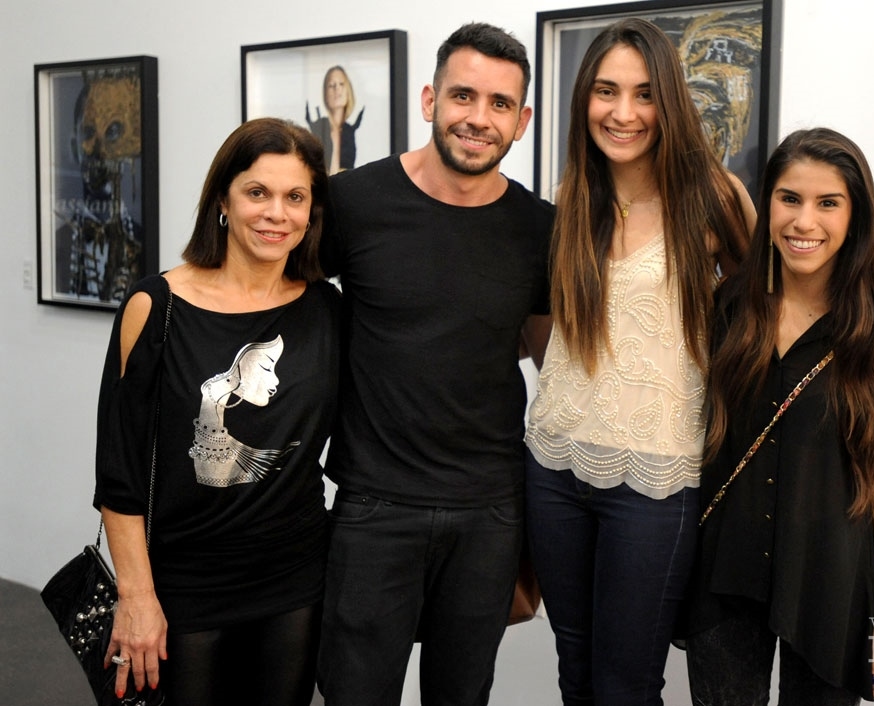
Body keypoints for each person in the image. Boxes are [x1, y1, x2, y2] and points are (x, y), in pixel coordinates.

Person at [523, 20, 874, 705]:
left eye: (643, 93)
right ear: (583, 100)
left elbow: (781, 287)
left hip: (659, 474)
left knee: (626, 679)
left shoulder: (714, 195)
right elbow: (552, 326)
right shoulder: (573, 196)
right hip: (556, 464)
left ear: (670, 99)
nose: (623, 111)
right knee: (575, 661)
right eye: (606, 91)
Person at [316, 23, 552, 706]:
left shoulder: (541, 229)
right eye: (463, 96)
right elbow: (274, 300)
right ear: (429, 99)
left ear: (522, 120)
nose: (479, 118)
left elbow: (553, 360)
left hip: (489, 512)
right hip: (373, 505)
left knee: (463, 696)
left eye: (500, 104)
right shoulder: (354, 202)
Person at [94, 117, 340, 706]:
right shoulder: (156, 305)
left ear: (311, 212)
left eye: (295, 197)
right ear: (223, 202)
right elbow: (119, 473)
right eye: (257, 192)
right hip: (184, 585)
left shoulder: (326, 310)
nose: (276, 213)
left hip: (295, 579)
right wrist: (137, 596)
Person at [684, 127, 874, 706]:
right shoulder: (727, 309)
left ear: (856, 216)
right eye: (790, 198)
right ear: (767, 204)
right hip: (725, 575)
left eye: (828, 203)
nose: (804, 222)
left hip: (831, 583)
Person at [307, 65, 364, 175]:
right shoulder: (316, 129)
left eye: (341, 84)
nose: (337, 88)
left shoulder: (353, 129)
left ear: (348, 90)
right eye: (331, 85)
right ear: (325, 93)